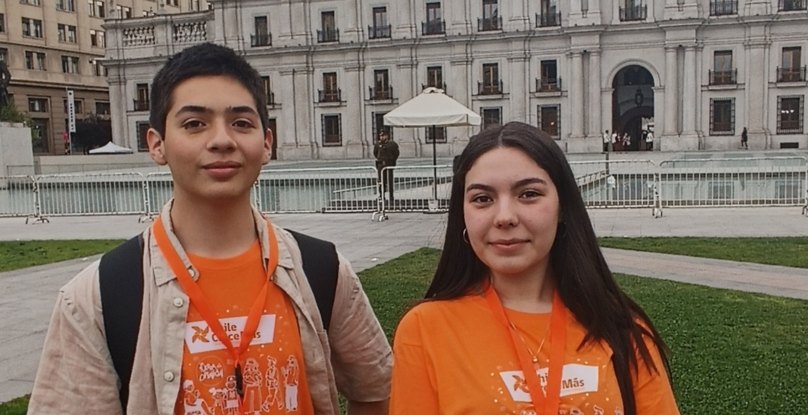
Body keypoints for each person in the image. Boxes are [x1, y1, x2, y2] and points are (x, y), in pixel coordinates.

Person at [28, 43, 391, 415]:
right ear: (157, 145)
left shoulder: (322, 269)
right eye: (194, 124)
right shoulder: (98, 296)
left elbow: (375, 387)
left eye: (241, 123)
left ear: (266, 144)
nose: (222, 140)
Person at [389, 122, 679, 415]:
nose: (504, 217)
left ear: (563, 206)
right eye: (482, 199)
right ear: (462, 215)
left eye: (528, 194)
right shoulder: (425, 330)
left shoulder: (622, 328)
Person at [373, 129, 399, 204]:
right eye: (380, 136)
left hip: (389, 163)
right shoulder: (378, 144)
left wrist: (392, 160)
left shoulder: (392, 144)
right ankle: (382, 195)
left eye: (383, 136)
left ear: (387, 136)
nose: (381, 137)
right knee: (381, 181)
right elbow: (375, 153)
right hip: (381, 164)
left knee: (390, 181)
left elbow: (396, 153)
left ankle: (391, 196)